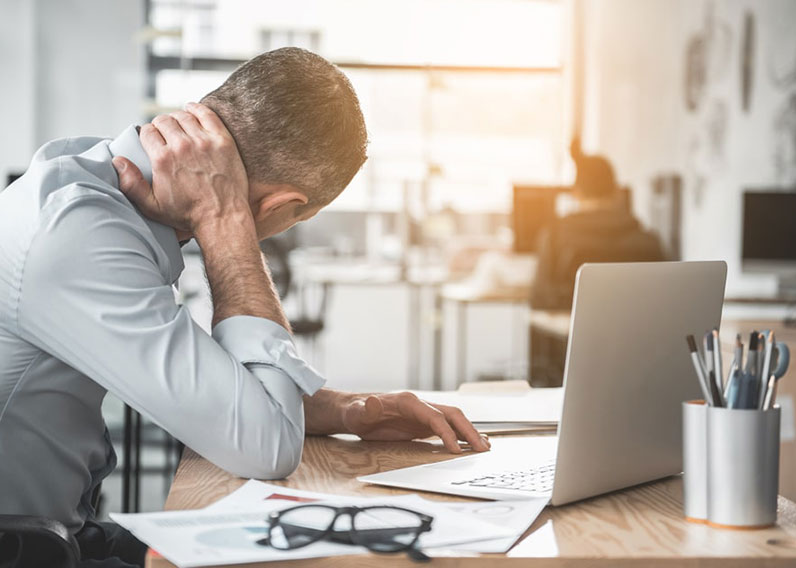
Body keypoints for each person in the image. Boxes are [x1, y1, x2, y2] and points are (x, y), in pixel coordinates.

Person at [0, 47, 489, 568]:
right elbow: (265, 449)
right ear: (277, 206)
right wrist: (226, 225)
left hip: (64, 531)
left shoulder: (87, 181)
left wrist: (351, 410)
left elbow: (208, 386)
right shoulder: (80, 232)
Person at [530, 137, 665, 310]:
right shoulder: (649, 243)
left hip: (571, 336)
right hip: (636, 336)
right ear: (616, 192)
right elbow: (663, 301)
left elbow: (539, 302)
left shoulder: (554, 239)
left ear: (576, 193)